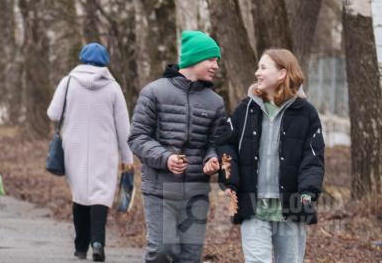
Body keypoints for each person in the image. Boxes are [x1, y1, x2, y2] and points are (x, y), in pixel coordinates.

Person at [128, 30, 225, 263]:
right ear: (193, 59)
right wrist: (165, 158)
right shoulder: (154, 92)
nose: (216, 66)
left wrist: (212, 160)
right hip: (160, 190)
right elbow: (137, 138)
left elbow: (214, 144)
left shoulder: (216, 102)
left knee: (191, 257)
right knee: (162, 249)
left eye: (217, 61)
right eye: (211, 59)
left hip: (196, 192)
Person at [219, 49, 324, 263]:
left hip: (291, 204)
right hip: (253, 203)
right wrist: (230, 181)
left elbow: (313, 158)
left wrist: (308, 192)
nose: (257, 73)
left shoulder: (307, 113)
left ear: (282, 74)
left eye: (263, 67)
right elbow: (226, 145)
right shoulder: (244, 110)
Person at [46, 43, 133, 262]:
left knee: (80, 194)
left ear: (82, 59)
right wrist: (127, 158)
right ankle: (98, 243)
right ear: (105, 61)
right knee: (100, 196)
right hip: (105, 149)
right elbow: (124, 127)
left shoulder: (68, 82)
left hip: (74, 147)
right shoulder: (113, 87)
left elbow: (53, 113)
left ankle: (80, 247)